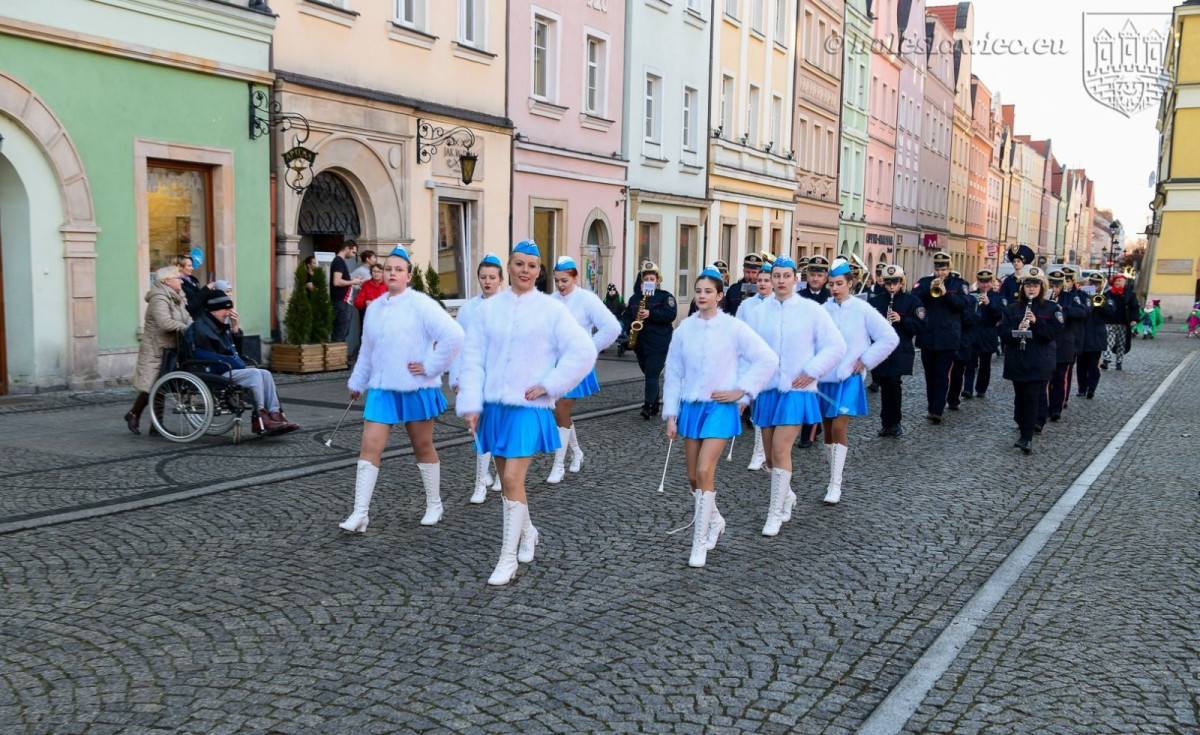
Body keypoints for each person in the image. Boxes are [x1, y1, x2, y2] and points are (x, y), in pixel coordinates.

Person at [457, 240, 595, 586]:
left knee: (512, 479)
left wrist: (551, 383)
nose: (525, 270)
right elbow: (472, 358)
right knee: (508, 481)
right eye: (519, 264)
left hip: (528, 407)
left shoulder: (550, 310)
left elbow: (583, 350)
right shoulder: (488, 310)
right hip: (494, 406)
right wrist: (471, 402)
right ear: (509, 267)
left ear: (538, 271)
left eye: (532, 266)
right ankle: (528, 531)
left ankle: (507, 559)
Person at [338, 246, 465, 534]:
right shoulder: (374, 308)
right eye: (388, 269)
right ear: (382, 274)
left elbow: (454, 335)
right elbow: (367, 351)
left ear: (408, 276)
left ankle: (434, 504)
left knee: (422, 446)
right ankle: (360, 513)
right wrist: (358, 382)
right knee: (369, 446)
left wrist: (431, 366)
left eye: (399, 270)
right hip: (382, 388)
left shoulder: (421, 305)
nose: (392, 273)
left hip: (414, 387)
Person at [664, 265, 776, 567]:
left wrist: (742, 391)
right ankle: (714, 521)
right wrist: (671, 414)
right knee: (692, 477)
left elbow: (767, 359)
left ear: (719, 296)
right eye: (698, 291)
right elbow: (673, 373)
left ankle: (699, 542)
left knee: (704, 471)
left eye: (708, 291)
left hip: (720, 408)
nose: (702, 296)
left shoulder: (733, 327)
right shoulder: (684, 329)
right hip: (691, 407)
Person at [745, 257, 844, 530]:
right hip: (767, 391)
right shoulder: (758, 313)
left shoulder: (811, 311)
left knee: (780, 449)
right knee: (769, 457)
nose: (780, 281)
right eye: (776, 276)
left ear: (795, 279)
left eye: (786, 276)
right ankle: (787, 496)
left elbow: (836, 346)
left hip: (796, 391)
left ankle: (774, 513)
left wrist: (812, 370)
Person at [819, 259, 899, 503]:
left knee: (839, 427)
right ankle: (832, 474)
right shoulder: (821, 311)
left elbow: (889, 337)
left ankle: (835, 484)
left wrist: (865, 360)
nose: (835, 288)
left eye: (839, 284)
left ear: (850, 283)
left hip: (849, 377)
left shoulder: (863, 310)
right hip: (826, 378)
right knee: (827, 430)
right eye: (831, 284)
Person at [547, 256, 622, 484]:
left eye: (564, 281)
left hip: (577, 364)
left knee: (561, 410)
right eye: (557, 281)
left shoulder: (587, 299)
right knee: (561, 413)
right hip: (555, 366)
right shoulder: (551, 301)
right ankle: (577, 452)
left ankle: (558, 466)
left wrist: (589, 348)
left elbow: (612, 328)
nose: (560, 285)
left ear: (575, 278)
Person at [193, 290, 299, 435]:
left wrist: (235, 328)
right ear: (214, 310)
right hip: (213, 371)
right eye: (225, 309)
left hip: (226, 367)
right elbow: (203, 355)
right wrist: (232, 361)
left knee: (265, 373)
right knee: (254, 374)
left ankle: (276, 414)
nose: (228, 313)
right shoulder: (201, 327)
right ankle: (260, 418)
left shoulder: (219, 325)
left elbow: (236, 351)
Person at [449, 253, 506, 503]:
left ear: (501, 280)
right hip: (475, 375)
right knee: (479, 430)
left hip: (500, 377)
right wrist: (457, 379)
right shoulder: (467, 309)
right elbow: (459, 347)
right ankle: (481, 482)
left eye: (492, 277)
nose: (487, 281)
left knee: (499, 428)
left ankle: (500, 474)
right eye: (483, 277)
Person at [1000, 267, 1063, 454]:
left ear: (1042, 288)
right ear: (1023, 288)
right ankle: (1022, 428)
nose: (1031, 289)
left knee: (1031, 398)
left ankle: (1026, 437)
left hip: (1039, 360)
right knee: (1020, 398)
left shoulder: (1051, 308)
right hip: (1017, 360)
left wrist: (1037, 322)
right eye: (1028, 285)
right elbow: (1002, 332)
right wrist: (1016, 329)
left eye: (1035, 286)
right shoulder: (1012, 308)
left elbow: (1053, 333)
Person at [125, 266, 194, 435]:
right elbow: (165, 323)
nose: (181, 281)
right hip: (155, 349)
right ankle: (135, 414)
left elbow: (187, 317)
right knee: (151, 386)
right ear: (166, 281)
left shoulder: (178, 296)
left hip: (170, 348)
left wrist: (195, 327)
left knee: (161, 386)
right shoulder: (159, 298)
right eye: (177, 278)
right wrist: (186, 328)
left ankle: (156, 425)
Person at [868, 265, 928, 437]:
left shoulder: (912, 301)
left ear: (901, 283)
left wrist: (902, 320)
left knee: (894, 383)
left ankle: (894, 423)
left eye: (895, 283)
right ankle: (886, 423)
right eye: (888, 283)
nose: (891, 287)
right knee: (884, 384)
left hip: (901, 350)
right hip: (881, 351)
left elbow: (922, 326)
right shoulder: (876, 301)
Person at [912, 251, 970, 424]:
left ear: (949, 268)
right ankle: (931, 407)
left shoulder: (959, 284)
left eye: (943, 270)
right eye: (937, 270)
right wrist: (928, 290)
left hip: (948, 338)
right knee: (930, 375)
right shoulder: (924, 282)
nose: (940, 273)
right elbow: (913, 300)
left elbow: (963, 304)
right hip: (928, 336)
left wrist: (946, 294)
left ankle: (938, 410)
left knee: (942, 374)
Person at [622, 262, 677, 419]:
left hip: (659, 343)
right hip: (640, 344)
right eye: (646, 279)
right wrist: (627, 327)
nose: (649, 282)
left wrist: (650, 313)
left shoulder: (665, 296)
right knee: (649, 373)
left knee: (651, 374)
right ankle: (655, 404)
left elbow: (670, 314)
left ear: (657, 281)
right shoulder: (635, 299)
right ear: (642, 282)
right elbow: (627, 316)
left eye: (652, 279)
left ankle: (647, 406)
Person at [1041, 269, 1088, 425]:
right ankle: (1045, 408)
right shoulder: (1043, 298)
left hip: (1064, 344)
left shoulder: (1070, 297)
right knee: (1046, 379)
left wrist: (1063, 310)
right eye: (1052, 285)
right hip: (1047, 343)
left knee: (1060, 378)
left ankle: (1056, 409)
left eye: (1057, 286)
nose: (1054, 289)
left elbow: (1082, 311)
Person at [796, 255, 832, 448]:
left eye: (819, 275)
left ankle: (809, 432)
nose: (815, 278)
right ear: (807, 275)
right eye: (812, 274)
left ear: (826, 277)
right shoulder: (799, 297)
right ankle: (807, 428)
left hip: (823, 350)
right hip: (803, 349)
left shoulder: (831, 297)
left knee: (817, 393)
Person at [963, 270, 1003, 400]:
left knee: (985, 364)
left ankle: (981, 388)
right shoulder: (972, 295)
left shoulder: (997, 297)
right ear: (978, 282)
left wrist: (989, 304)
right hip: (972, 333)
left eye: (987, 282)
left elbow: (1000, 314)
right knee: (969, 363)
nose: (984, 285)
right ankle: (968, 389)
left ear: (992, 282)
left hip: (987, 334)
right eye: (981, 282)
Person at [1076, 273, 1116, 399]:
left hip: (1096, 337)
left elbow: (1111, 311)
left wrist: (1100, 302)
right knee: (1081, 366)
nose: (1094, 286)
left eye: (1097, 284)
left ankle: (1091, 389)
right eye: (1092, 283)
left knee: (1093, 365)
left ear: (1101, 286)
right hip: (1082, 335)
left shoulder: (1106, 296)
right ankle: (1082, 388)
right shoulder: (1081, 295)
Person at [1101, 273, 1139, 371]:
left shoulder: (1130, 294)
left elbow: (1134, 307)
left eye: (1119, 281)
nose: (1117, 282)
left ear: (1125, 282)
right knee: (1108, 342)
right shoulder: (1108, 293)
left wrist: (1134, 319)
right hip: (1110, 321)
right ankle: (1106, 360)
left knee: (1121, 343)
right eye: (1116, 281)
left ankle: (1119, 362)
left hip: (1123, 323)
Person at [329, 241, 363, 343]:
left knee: (343, 332)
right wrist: (353, 281)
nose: (353, 255)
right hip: (342, 302)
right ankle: (338, 353)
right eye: (353, 252)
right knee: (340, 333)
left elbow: (340, 279)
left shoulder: (339, 261)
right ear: (347, 248)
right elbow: (337, 282)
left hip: (343, 302)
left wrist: (352, 279)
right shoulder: (339, 261)